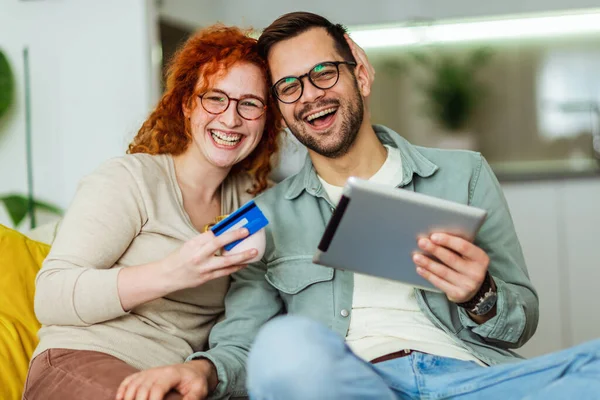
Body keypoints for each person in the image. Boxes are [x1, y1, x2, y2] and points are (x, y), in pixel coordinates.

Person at [115, 12, 600, 400]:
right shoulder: (265, 213)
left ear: (361, 74)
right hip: (353, 383)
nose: (311, 96)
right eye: (289, 87)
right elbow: (241, 341)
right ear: (280, 109)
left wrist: (480, 294)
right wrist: (201, 371)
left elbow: (522, 320)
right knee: (283, 345)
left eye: (324, 72)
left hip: (471, 379)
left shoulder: (462, 174)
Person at [22, 24, 281, 400]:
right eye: (215, 99)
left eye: (250, 103)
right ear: (187, 105)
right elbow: (50, 296)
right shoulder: (130, 179)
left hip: (176, 381)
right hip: (84, 359)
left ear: (266, 117)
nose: (231, 118)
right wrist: (170, 273)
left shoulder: (257, 203)